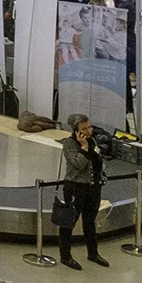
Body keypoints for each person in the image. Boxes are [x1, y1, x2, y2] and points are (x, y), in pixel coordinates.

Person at [57, 113, 108, 269]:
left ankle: (93, 253)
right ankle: (65, 256)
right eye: (84, 128)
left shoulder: (92, 141)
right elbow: (78, 164)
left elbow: (99, 161)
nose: (88, 131)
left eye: (89, 127)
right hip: (75, 187)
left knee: (90, 221)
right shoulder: (69, 144)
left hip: (93, 187)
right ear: (75, 130)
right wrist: (84, 148)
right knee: (69, 222)